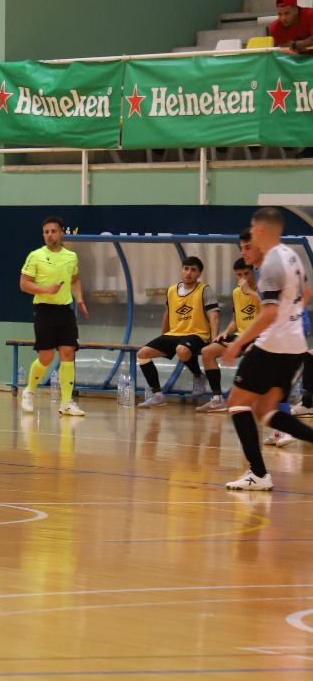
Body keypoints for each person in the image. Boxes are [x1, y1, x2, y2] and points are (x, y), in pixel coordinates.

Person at [220, 208, 313, 490]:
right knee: (265, 410)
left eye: (252, 227)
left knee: (236, 403)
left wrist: (237, 343)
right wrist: (293, 315)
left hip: (272, 345)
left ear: (260, 229)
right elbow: (306, 293)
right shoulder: (292, 255)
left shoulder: (272, 263)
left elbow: (270, 314)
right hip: (294, 345)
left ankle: (258, 474)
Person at [18, 215, 89, 416]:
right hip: (44, 311)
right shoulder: (35, 256)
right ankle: (29, 391)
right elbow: (23, 284)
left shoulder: (71, 257)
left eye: (53, 231)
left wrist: (80, 299)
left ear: (61, 232)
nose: (49, 235)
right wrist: (45, 289)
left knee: (68, 353)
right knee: (46, 357)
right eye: (46, 232)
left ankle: (66, 402)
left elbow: (74, 280)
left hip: (65, 311)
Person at [134, 256, 217, 408]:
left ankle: (198, 375)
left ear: (199, 274)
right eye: (186, 268)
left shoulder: (205, 290)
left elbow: (214, 316)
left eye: (193, 270)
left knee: (182, 350)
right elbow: (167, 314)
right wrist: (163, 335)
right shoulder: (172, 290)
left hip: (198, 334)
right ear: (181, 270)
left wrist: (215, 338)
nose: (188, 273)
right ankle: (158, 395)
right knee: (142, 354)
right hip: (174, 334)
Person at [197, 256, 259, 415]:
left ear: (254, 272)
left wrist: (250, 292)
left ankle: (254, 399)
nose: (243, 278)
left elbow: (269, 313)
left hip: (259, 336)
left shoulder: (263, 290)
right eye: (239, 275)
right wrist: (225, 332)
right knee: (207, 352)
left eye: (246, 274)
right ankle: (217, 399)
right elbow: (235, 321)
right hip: (240, 334)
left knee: (253, 354)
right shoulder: (236, 293)